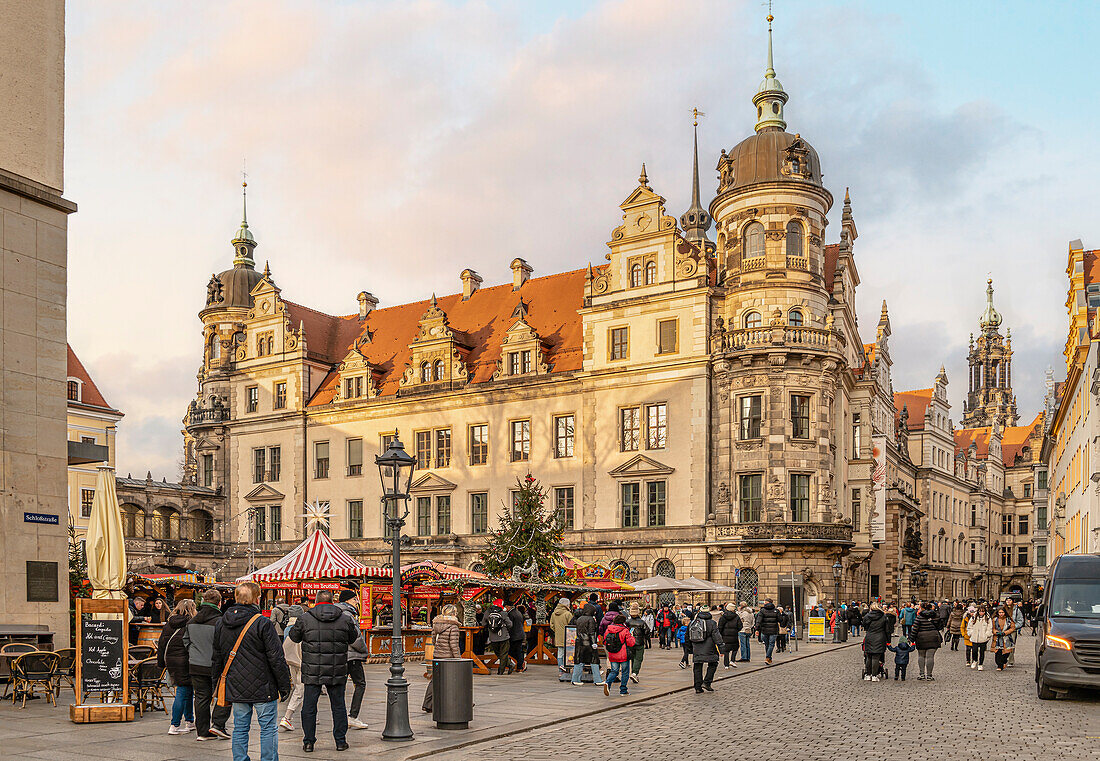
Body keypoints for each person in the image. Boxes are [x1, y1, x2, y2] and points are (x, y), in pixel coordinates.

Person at [211, 581, 291, 761]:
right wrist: (284, 685)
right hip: (263, 685)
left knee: (240, 727)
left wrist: (215, 683)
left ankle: (240, 759)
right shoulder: (262, 623)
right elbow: (276, 658)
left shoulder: (221, 623)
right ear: (257, 598)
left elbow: (217, 658)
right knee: (268, 727)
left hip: (235, 684)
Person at [287, 590, 361, 753]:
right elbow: (353, 638)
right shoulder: (345, 618)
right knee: (338, 706)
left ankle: (308, 742)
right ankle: (340, 741)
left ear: (316, 601)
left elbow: (294, 637)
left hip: (312, 670)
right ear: (332, 602)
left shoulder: (305, 618)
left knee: (309, 707)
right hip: (337, 669)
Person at [185, 589, 232, 741]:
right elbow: (225, 644)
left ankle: (202, 732)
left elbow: (185, 641)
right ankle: (218, 725)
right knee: (222, 695)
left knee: (201, 698)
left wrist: (195, 652)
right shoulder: (220, 621)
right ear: (219, 603)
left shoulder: (191, 622)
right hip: (215, 665)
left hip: (196, 664)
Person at [158, 599, 196, 735]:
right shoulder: (191, 624)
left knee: (187, 690)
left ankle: (190, 721)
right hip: (185, 661)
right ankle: (174, 724)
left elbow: (161, 644)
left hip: (171, 661)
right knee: (182, 691)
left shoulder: (169, 624)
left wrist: (161, 663)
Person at [422, 604, 461, 712]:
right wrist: (458, 658)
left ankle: (428, 703)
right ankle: (463, 702)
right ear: (454, 614)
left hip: (438, 656)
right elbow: (454, 645)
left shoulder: (436, 624)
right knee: (455, 680)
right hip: (449, 657)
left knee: (435, 680)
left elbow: (434, 641)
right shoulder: (454, 626)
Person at [279, 606, 305, 732]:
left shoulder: (287, 628)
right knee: (300, 690)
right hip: (301, 662)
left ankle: (309, 713)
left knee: (298, 688)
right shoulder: (301, 627)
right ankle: (287, 717)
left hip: (290, 661)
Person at [601, 613, 635, 696]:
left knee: (614, 671)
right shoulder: (625, 630)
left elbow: (605, 641)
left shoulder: (609, 629)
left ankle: (608, 683)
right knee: (625, 672)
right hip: (623, 655)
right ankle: (623, 690)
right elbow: (631, 643)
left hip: (612, 654)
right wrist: (632, 636)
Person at [688, 606, 720, 693]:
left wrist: (689, 649)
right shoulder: (712, 623)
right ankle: (707, 682)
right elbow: (716, 636)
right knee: (713, 664)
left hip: (696, 648)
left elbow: (687, 637)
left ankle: (698, 687)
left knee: (697, 666)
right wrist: (721, 647)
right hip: (710, 648)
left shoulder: (693, 622)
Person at [570, 603, 604, 686]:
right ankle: (597, 680)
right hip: (588, 642)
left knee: (579, 661)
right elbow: (592, 632)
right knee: (594, 661)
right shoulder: (591, 620)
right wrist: (594, 643)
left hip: (579, 642)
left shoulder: (579, 619)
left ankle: (575, 679)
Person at [910, 602, 942, 681]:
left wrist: (911, 639)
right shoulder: (936, 616)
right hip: (933, 637)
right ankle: (929, 675)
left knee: (921, 656)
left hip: (921, 638)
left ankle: (922, 674)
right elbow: (940, 626)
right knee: (930, 657)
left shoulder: (919, 617)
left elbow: (915, 629)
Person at [861, 602, 891, 681]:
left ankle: (868, 674)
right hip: (880, 638)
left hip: (870, 637)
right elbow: (887, 630)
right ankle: (874, 675)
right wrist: (888, 641)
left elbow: (865, 626)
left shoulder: (867, 616)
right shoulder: (883, 616)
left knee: (869, 656)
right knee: (876, 657)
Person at [486, 599, 511, 675]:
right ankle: (502, 670)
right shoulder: (503, 613)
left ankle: (508, 666)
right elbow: (510, 624)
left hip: (492, 637)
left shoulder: (487, 612)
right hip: (503, 636)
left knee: (498, 653)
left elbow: (484, 623)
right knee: (503, 653)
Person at [624, 602, 648, 682]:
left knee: (632, 658)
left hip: (630, 642)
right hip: (639, 642)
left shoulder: (627, 622)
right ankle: (634, 673)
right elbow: (647, 631)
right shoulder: (642, 622)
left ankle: (634, 673)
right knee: (638, 658)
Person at [550, 598, 573, 682]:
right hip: (568, 637)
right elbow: (572, 625)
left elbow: (551, 625)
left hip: (558, 636)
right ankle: (566, 669)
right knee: (567, 654)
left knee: (560, 654)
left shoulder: (553, 613)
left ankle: (560, 671)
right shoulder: (568, 614)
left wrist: (557, 631)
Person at [754, 599, 782, 665]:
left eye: (765, 602)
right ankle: (768, 658)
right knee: (771, 644)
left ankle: (768, 658)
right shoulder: (776, 611)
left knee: (767, 645)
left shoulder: (762, 611)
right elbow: (780, 620)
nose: (764, 604)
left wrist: (757, 629)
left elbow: (758, 621)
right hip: (774, 630)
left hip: (764, 630)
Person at [966, 604, 992, 671]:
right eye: (980, 611)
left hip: (983, 637)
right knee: (974, 650)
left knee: (982, 652)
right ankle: (975, 660)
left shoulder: (988, 618)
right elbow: (969, 626)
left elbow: (990, 627)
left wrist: (987, 635)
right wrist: (971, 633)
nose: (981, 613)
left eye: (983, 611)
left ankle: (980, 664)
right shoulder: (973, 617)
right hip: (974, 637)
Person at [717, 603, 741, 669]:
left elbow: (720, 627)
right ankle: (732, 660)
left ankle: (726, 665)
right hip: (734, 635)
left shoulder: (723, 617)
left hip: (725, 636)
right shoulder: (736, 617)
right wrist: (735, 630)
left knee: (726, 650)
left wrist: (721, 634)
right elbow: (740, 626)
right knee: (735, 648)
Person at [991, 607, 1016, 672]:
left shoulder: (1009, 619)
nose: (1001, 614)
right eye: (1000, 612)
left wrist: (1005, 633)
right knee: (998, 652)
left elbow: (1012, 628)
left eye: (1002, 612)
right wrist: (995, 632)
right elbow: (992, 627)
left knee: (1006, 652)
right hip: (997, 638)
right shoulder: (995, 619)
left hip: (1006, 638)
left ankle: (1004, 661)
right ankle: (999, 665)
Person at [507, 600, 527, 673]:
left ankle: (520, 665)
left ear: (508, 607)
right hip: (520, 634)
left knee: (512, 651)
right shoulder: (518, 612)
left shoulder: (510, 614)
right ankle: (520, 664)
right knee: (518, 650)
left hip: (514, 635)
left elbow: (510, 625)